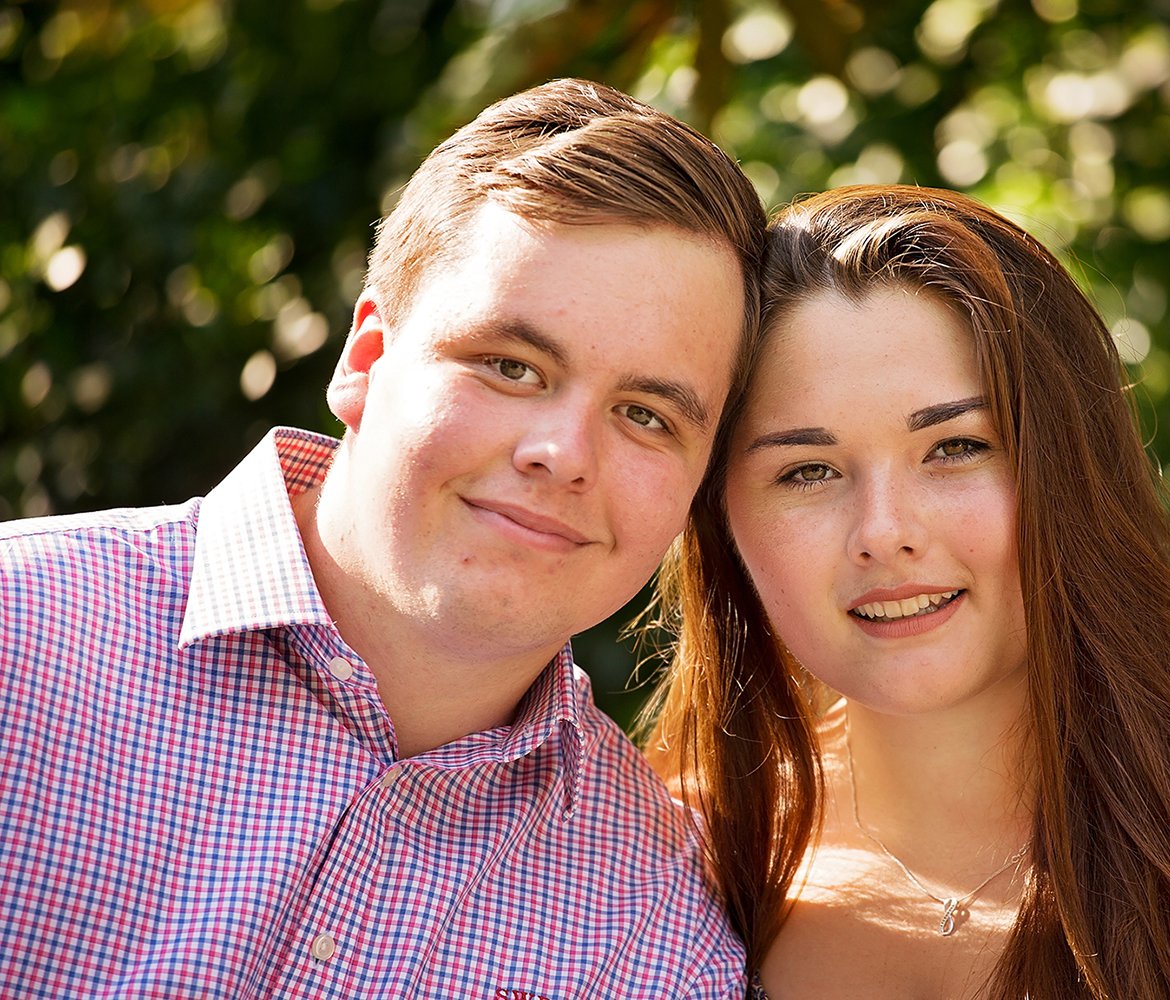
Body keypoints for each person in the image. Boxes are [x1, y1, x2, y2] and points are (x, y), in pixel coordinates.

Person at [0, 79, 764, 997]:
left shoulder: (662, 933)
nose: (563, 455)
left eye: (646, 415)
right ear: (365, 359)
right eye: (512, 367)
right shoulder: (21, 640)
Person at [643, 185, 1170, 999]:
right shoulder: (697, 847)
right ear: (719, 517)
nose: (884, 530)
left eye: (957, 447)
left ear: (1071, 464)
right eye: (807, 470)